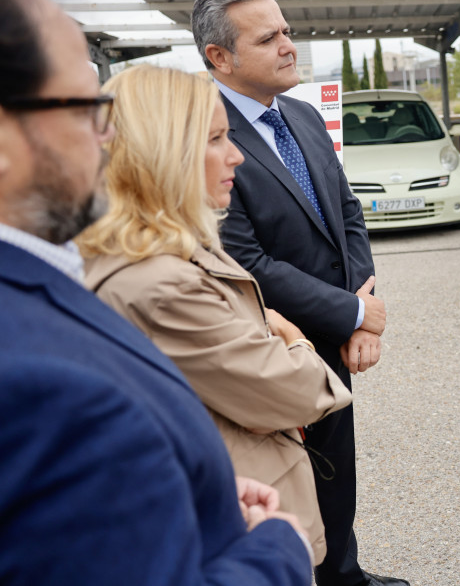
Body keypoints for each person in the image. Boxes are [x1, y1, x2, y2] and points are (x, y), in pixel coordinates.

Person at [0, 0, 312, 585]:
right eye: (86, 108)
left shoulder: (46, 283)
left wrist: (202, 494)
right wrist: (278, 551)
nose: (108, 139)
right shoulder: (37, 380)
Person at [75, 64, 354, 565]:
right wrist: (293, 336)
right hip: (237, 527)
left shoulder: (177, 249)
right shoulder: (159, 282)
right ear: (165, 153)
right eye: (216, 139)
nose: (237, 155)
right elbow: (300, 392)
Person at [191, 0, 403, 586]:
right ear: (219, 58)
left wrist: (359, 308)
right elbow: (246, 259)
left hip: (336, 335)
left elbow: (349, 215)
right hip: (273, 347)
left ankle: (345, 574)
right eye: (269, 37)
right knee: (288, 478)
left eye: (286, 30)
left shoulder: (304, 117)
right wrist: (353, 316)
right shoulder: (207, 136)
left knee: (339, 465)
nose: (289, 45)